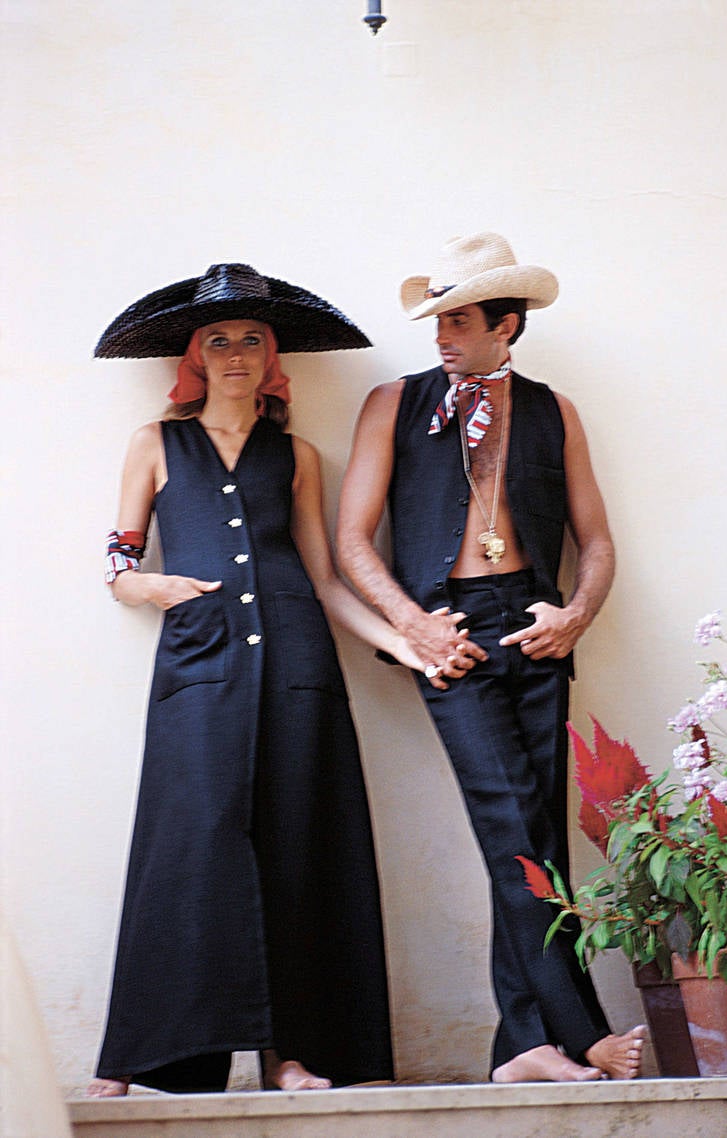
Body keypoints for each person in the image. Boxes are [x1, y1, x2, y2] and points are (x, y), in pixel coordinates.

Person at [87, 262, 434, 1098]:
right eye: (218, 340)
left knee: (299, 850)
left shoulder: (299, 456)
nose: (235, 352)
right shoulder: (155, 444)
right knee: (184, 851)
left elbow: (322, 580)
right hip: (199, 671)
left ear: (270, 355)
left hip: (298, 671)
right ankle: (133, 1058)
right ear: (195, 356)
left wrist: (406, 642)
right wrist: (153, 588)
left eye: (250, 339)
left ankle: (293, 1054)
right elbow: (117, 564)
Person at [335, 232, 646, 1083]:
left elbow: (599, 539)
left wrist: (576, 613)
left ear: (508, 324)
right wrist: (415, 626)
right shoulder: (394, 403)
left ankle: (522, 1047)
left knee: (539, 830)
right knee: (513, 827)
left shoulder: (555, 410)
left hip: (535, 626)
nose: (441, 335)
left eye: (460, 320)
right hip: (452, 632)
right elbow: (353, 543)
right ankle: (580, 1031)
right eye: (438, 319)